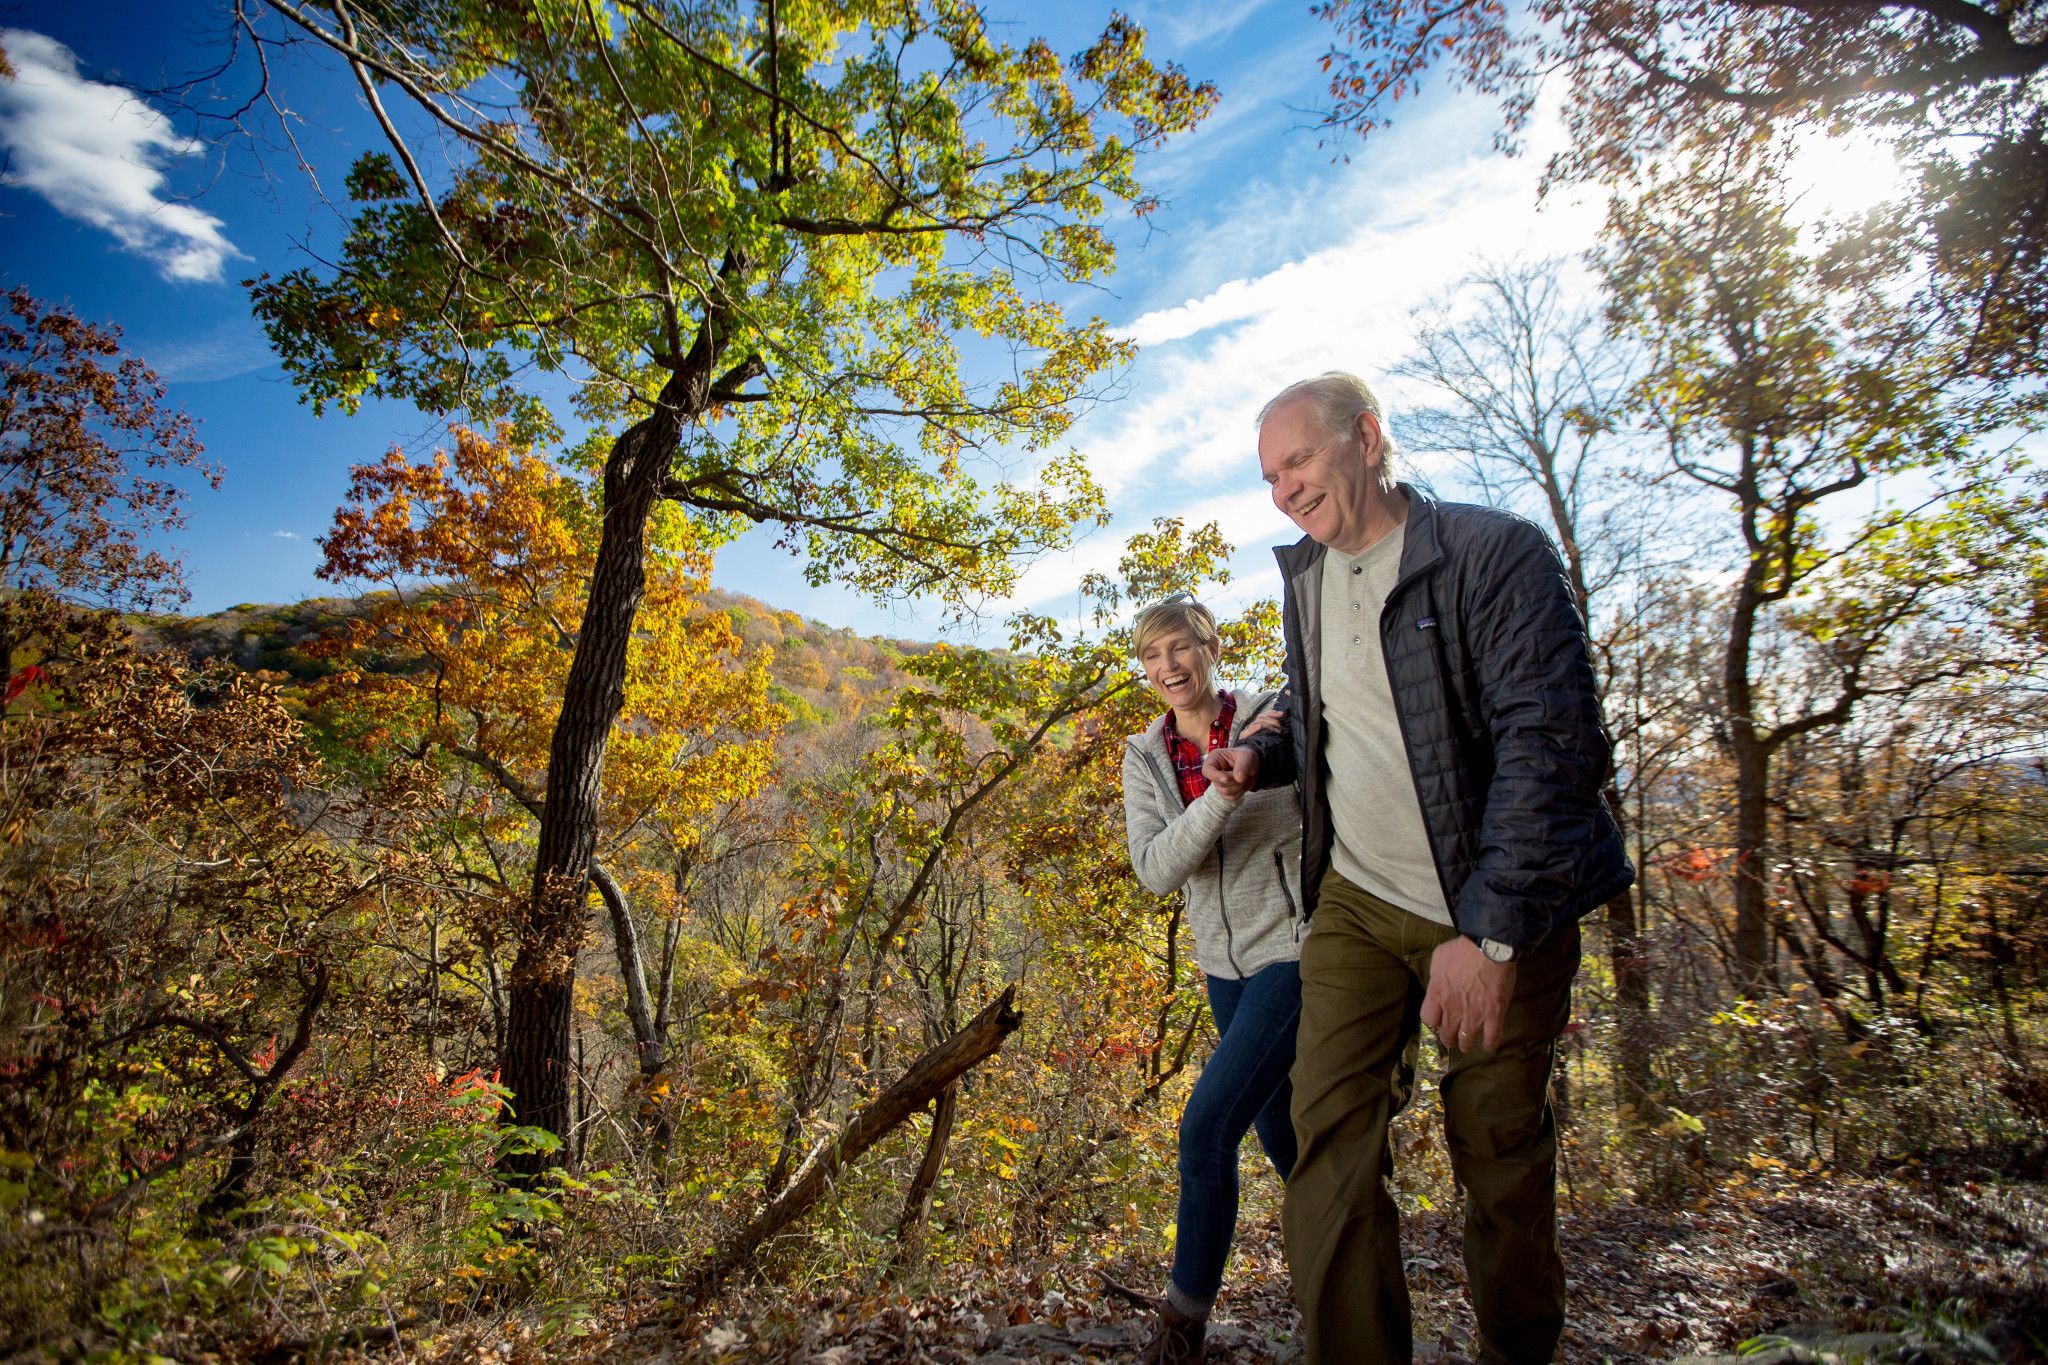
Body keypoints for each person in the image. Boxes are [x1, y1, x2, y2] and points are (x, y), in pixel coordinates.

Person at [1203, 372, 1633, 1364]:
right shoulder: (1306, 574)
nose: (1285, 492)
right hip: (1356, 898)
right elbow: (1325, 702)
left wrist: (1486, 934)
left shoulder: (1493, 556)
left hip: (1490, 902)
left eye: (1298, 461)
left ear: (1365, 437)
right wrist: (1261, 755)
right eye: (1269, 477)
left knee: (1497, 1157)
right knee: (1327, 1149)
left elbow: (1554, 749)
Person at [1120, 594, 1305, 1365]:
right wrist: (1219, 799)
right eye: (1152, 656)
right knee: (1286, 1136)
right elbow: (1157, 868)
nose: (1168, 667)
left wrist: (1243, 773)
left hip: (1295, 951)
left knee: (1206, 1128)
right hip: (1221, 969)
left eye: (1180, 648)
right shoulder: (1146, 757)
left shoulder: (1271, 718)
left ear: (1210, 647)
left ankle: (1181, 1325)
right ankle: (1349, 1271)